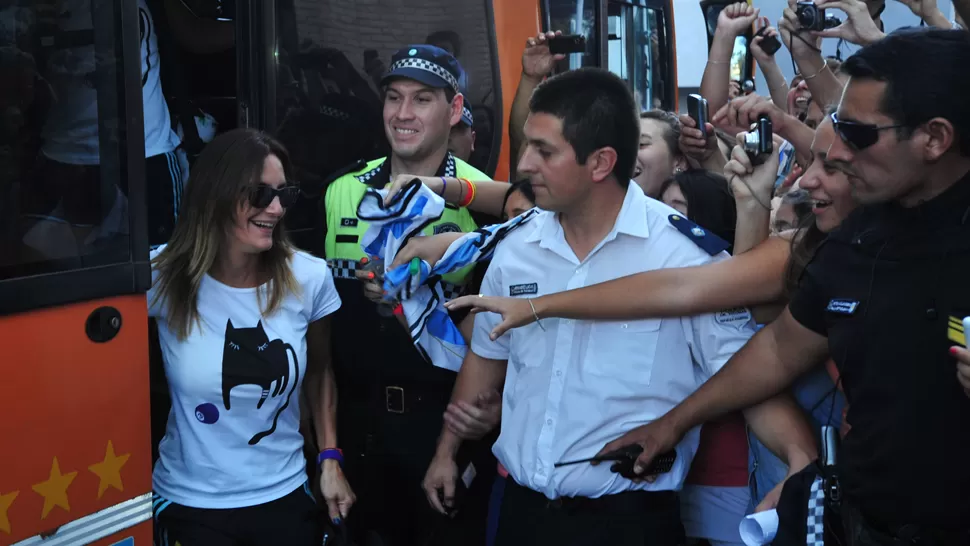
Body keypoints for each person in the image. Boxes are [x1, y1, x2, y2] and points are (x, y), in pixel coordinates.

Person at [563, 28, 970, 543]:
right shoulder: (856, 239)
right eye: (836, 126)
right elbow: (777, 349)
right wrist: (672, 424)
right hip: (870, 520)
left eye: (858, 135)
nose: (838, 153)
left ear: (935, 138)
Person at [421, 67, 817, 546]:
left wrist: (800, 458)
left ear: (601, 162)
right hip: (519, 513)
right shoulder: (517, 247)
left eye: (544, 151)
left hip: (628, 523)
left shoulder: (684, 256)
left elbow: (749, 375)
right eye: (528, 145)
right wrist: (447, 450)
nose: (523, 164)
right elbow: (487, 359)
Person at [320, 43, 495, 546]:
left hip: (442, 427)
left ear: (455, 110)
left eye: (422, 99)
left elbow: (496, 337)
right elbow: (322, 325)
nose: (403, 114)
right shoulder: (341, 190)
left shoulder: (485, 197)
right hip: (358, 427)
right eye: (394, 98)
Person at [148, 129, 354, 545]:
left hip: (284, 494)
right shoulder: (161, 277)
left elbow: (319, 372)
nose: (276, 209)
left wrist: (330, 459)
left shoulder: (307, 278)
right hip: (191, 503)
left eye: (284, 194)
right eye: (260, 195)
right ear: (217, 195)